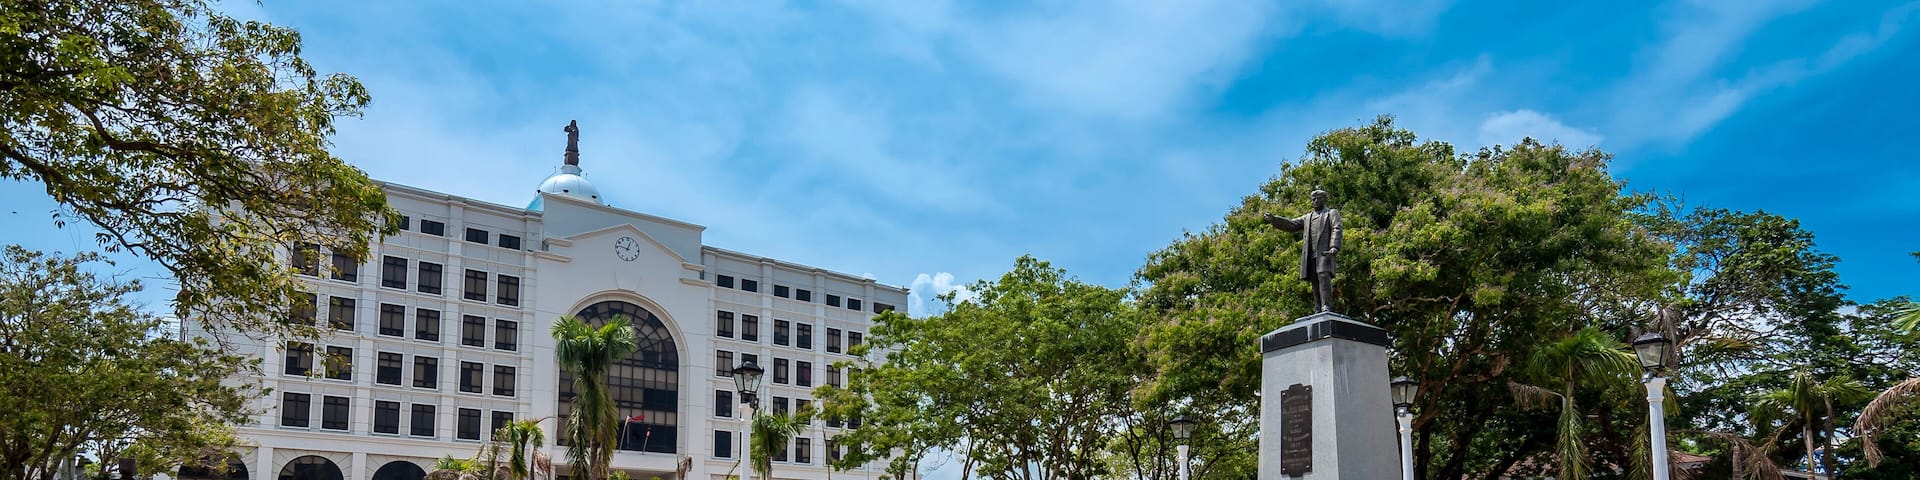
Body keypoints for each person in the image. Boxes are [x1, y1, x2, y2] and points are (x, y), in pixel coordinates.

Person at [1263, 189, 1343, 312]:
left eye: (1318, 198)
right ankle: (1318, 306)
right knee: (1314, 279)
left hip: (1324, 253)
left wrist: (1334, 246)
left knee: (1323, 277)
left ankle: (1326, 305)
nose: (1315, 201)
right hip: (1310, 255)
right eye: (1313, 199)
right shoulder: (1307, 218)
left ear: (1324, 199)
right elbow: (1291, 224)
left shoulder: (1331, 213)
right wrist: (1274, 219)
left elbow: (1336, 228)